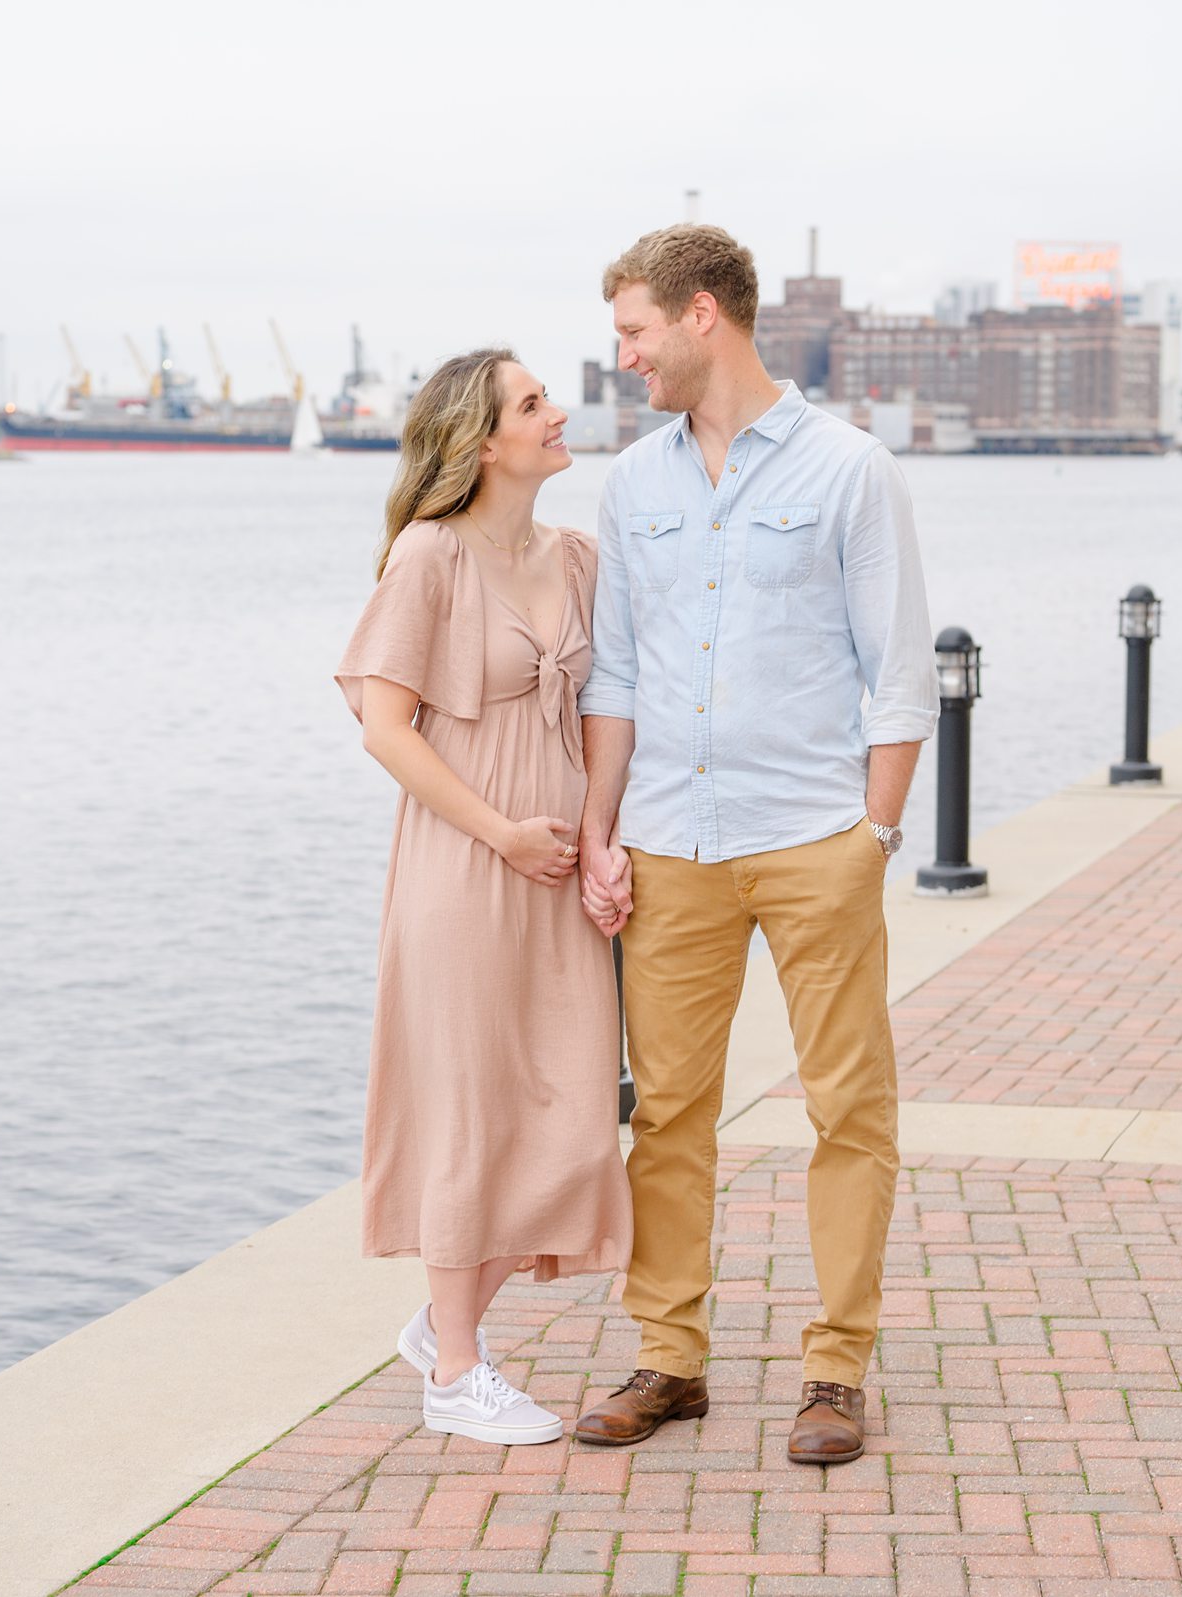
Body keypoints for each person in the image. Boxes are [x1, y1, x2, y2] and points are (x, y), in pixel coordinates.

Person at [572, 225, 938, 1466]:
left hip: (815, 837)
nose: (623, 357)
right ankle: (669, 1360)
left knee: (848, 1108)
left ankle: (836, 1369)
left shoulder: (849, 470)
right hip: (671, 841)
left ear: (702, 316)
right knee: (667, 1114)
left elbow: (900, 674)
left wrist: (873, 836)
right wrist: (598, 831)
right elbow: (614, 673)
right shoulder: (633, 486)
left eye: (634, 331)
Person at [334, 348, 632, 1446]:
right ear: (482, 442)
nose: (556, 413)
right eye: (532, 402)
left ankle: (439, 1322)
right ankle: (457, 1369)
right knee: (471, 1112)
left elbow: (613, 710)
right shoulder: (429, 558)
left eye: (547, 397)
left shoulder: (580, 556)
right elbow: (382, 725)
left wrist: (597, 840)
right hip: (466, 864)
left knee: (571, 1118)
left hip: (556, 871)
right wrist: (501, 831)